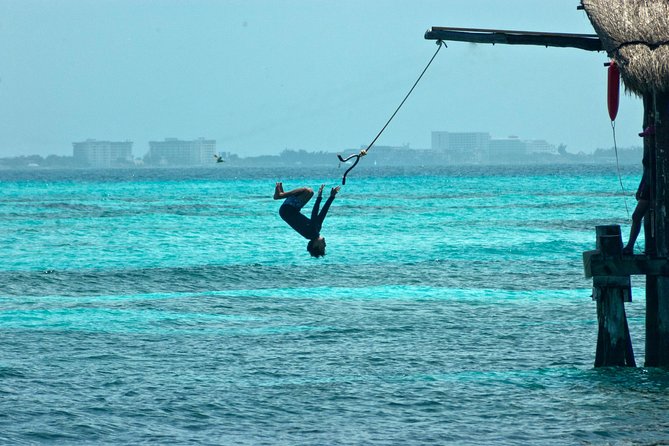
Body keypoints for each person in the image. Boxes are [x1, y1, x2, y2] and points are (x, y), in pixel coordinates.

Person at [274, 182, 340, 257]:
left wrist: (319, 197)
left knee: (307, 191)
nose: (325, 244)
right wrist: (332, 196)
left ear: (315, 245)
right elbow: (323, 213)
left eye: (323, 247)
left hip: (287, 210)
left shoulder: (311, 233)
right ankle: (282, 194)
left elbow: (314, 213)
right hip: (291, 209)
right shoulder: (316, 230)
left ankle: (280, 195)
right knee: (309, 193)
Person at [623, 158, 650, 255]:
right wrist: (640, 188)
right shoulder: (650, 147)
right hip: (648, 186)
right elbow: (646, 171)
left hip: (653, 186)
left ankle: (630, 246)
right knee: (636, 216)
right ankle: (630, 246)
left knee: (637, 216)